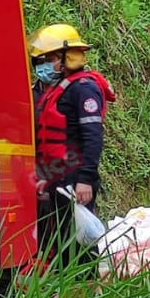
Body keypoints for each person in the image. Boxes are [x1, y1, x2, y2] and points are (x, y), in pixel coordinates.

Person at [28, 24, 115, 269]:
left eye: (51, 59)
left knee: (78, 247)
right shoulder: (51, 91)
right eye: (42, 60)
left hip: (76, 181)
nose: (44, 65)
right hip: (56, 180)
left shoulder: (83, 89)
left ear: (70, 58)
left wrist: (86, 179)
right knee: (53, 243)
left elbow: (92, 136)